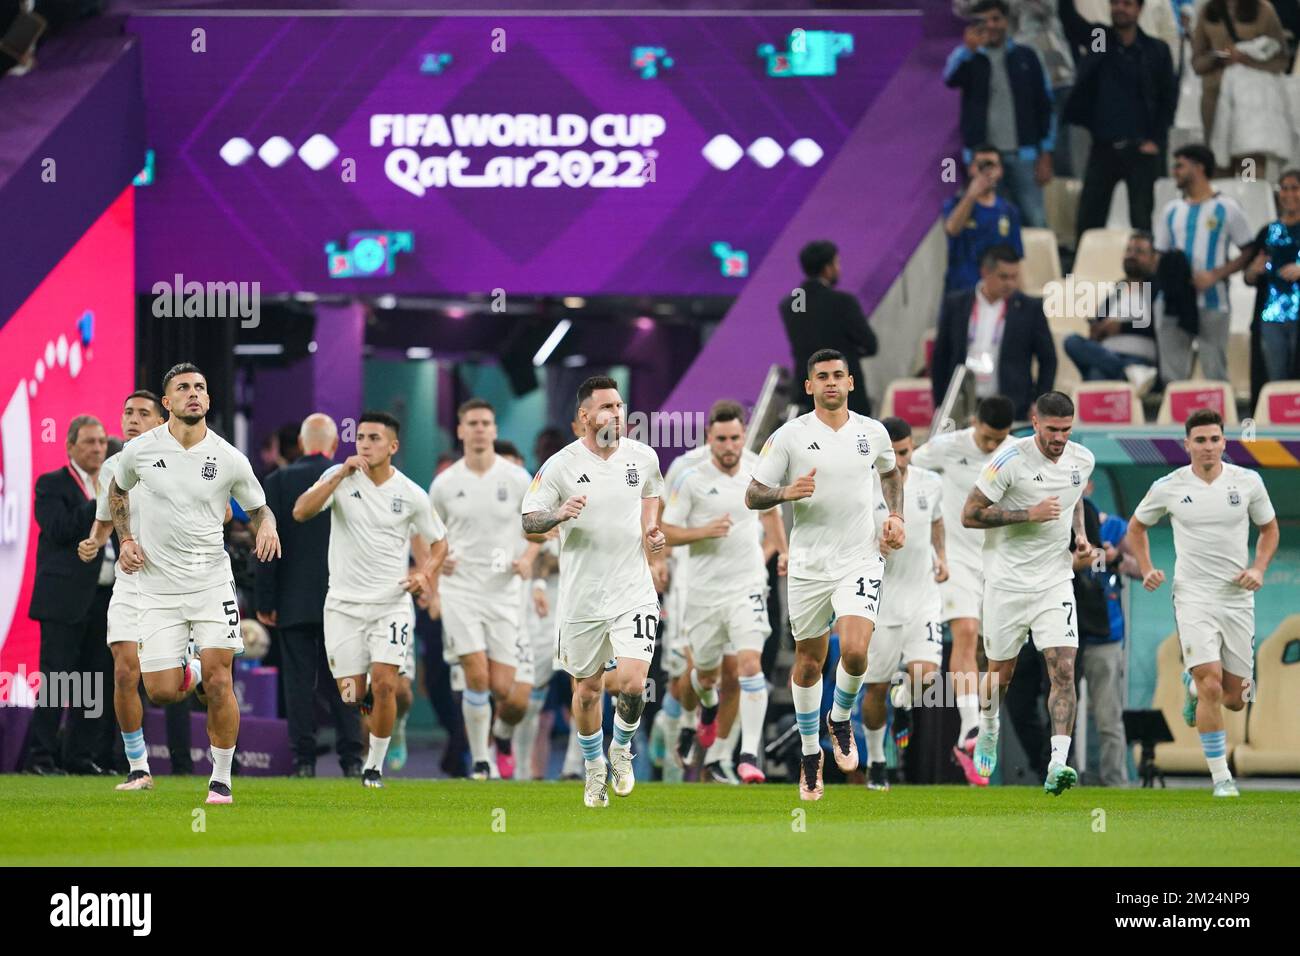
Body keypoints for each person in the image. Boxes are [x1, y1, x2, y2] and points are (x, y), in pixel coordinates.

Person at [108, 363, 281, 805]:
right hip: (157, 588)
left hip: (210, 583)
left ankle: (220, 779)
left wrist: (267, 527)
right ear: (166, 402)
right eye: (183, 388)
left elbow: (259, 508)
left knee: (222, 681)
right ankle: (195, 667)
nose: (194, 394)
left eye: (200, 387)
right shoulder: (141, 450)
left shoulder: (228, 457)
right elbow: (118, 490)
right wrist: (126, 538)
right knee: (161, 691)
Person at [746, 349, 904, 801]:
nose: (831, 382)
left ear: (851, 383)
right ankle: (811, 754)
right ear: (809, 386)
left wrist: (896, 516)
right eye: (822, 377)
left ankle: (839, 717)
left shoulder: (872, 432)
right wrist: (785, 491)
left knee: (855, 653)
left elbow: (892, 474)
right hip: (809, 565)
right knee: (809, 663)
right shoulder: (789, 437)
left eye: (839, 375)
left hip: (860, 558)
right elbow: (753, 494)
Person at [521, 376, 666, 808]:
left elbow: (651, 497)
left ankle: (620, 751)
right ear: (585, 416)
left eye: (620, 406)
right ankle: (593, 768)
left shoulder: (643, 457)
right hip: (582, 597)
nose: (617, 414)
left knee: (635, 684)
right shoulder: (560, 465)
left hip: (632, 590)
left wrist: (652, 535)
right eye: (607, 407)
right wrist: (556, 515)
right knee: (587, 691)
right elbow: (528, 520)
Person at [1127, 408, 1278, 797]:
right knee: (1209, 681)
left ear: (1224, 442)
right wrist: (1145, 568)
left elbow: (1269, 529)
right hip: (1192, 596)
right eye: (1200, 440)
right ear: (1187, 444)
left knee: (1235, 699)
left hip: (1237, 599)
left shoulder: (1248, 482)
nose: (1208, 446)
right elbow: (1137, 527)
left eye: (1215, 439)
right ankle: (1221, 778)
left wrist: (1259, 568)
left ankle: (1193, 690)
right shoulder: (1170, 486)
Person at [292, 411, 447, 789]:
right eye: (360, 437)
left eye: (374, 438)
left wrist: (423, 574)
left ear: (392, 446)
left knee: (385, 684)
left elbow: (439, 542)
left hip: (390, 604)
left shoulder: (411, 494)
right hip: (343, 606)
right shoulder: (339, 479)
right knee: (352, 695)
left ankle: (373, 767)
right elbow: (300, 512)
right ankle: (384, 722)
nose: (365, 444)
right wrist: (339, 475)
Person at [961, 390, 1096, 795]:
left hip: (1054, 582)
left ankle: (1057, 764)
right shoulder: (1008, 461)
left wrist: (1081, 538)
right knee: (1000, 675)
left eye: (1067, 430)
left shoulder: (1081, 459)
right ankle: (987, 729)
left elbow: (1072, 501)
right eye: (1052, 429)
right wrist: (1028, 514)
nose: (1059, 437)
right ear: (1035, 422)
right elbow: (969, 515)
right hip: (1006, 583)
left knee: (1063, 669)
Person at [661, 401, 788, 784]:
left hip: (747, 586)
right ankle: (692, 720)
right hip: (700, 589)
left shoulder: (757, 469)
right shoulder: (688, 475)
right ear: (708, 439)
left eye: (735, 437)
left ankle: (738, 755)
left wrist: (780, 553)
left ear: (744, 435)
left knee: (747, 666)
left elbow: (771, 517)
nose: (729, 445)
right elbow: (666, 532)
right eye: (721, 439)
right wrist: (705, 532)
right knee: (703, 675)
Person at [429, 399, 537, 780]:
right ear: (460, 430)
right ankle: (480, 760)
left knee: (504, 690)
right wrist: (438, 564)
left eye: (485, 423)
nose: (479, 429)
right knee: (475, 675)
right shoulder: (444, 484)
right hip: (461, 591)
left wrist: (528, 557)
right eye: (471, 422)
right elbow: (428, 534)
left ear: (494, 430)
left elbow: (538, 527)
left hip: (505, 592)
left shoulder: (517, 479)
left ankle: (502, 736)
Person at [912, 394, 1014, 785]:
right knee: (966, 634)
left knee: (1000, 658)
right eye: (987, 438)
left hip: (1000, 563)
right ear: (974, 423)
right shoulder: (947, 447)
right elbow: (903, 470)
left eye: (999, 439)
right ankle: (970, 727)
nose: (992, 447)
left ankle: (979, 730)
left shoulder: (1017, 452)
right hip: (956, 560)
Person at [254, 413, 363, 778]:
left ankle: (303, 760)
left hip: (293, 600)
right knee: (345, 678)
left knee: (299, 683)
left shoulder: (277, 481)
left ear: (301, 444)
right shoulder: (348, 480)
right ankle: (352, 759)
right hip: (343, 601)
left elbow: (267, 544)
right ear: (334, 446)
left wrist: (265, 601)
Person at [75, 391, 171, 789]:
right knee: (124, 671)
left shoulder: (184, 457)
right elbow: (105, 518)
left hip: (175, 585)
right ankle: (139, 768)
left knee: (164, 689)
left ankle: (192, 671)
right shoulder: (114, 465)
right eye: (127, 412)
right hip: (130, 583)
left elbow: (217, 512)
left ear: (161, 418)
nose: (132, 419)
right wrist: (94, 542)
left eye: (142, 413)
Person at [24, 415, 114, 776]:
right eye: (90, 442)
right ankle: (40, 756)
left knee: (94, 678)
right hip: (64, 597)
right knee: (58, 678)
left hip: (105, 596)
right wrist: (101, 501)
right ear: (70, 446)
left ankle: (80, 756)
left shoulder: (113, 484)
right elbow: (58, 528)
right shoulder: (51, 484)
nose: (97, 448)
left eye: (102, 442)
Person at [861, 417, 947, 791]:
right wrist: (873, 545)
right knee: (875, 689)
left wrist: (941, 555)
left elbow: (938, 522)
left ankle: (906, 702)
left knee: (926, 676)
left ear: (913, 448)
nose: (897, 460)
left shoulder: (932, 483)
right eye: (891, 454)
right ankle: (878, 761)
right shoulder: (864, 486)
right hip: (880, 601)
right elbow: (849, 535)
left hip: (923, 595)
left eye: (904, 452)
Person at [1060, 0, 1178, 237]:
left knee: (1142, 221)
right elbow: (1071, 23)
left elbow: (1168, 100)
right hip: (1104, 146)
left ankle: (1144, 271)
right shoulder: (1102, 40)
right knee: (1089, 219)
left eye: (1127, 4)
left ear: (1139, 9)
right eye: (1115, 3)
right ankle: (1083, 271)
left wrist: (1155, 139)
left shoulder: (1156, 50)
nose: (1119, 9)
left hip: (1141, 149)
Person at [943, 0, 1055, 227]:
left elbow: (1045, 106)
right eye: (983, 22)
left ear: (1006, 21)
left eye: (996, 19)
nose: (991, 26)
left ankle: (1039, 263)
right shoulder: (968, 58)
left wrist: (1046, 153)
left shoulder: (1028, 57)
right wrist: (967, 51)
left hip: (1024, 155)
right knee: (991, 222)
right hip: (983, 160)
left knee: (1035, 219)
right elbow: (949, 79)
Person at [1154, 143, 1255, 382]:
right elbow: (1160, 255)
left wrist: (1216, 275)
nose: (1174, 171)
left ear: (1199, 167)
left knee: (1214, 371)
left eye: (1180, 166)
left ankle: (1219, 418)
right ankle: (1174, 419)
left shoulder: (1227, 208)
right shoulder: (1170, 210)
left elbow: (1248, 249)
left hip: (1214, 300)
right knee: (1172, 374)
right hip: (1174, 302)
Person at [932, 243, 1056, 418]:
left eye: (1014, 277)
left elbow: (1048, 359)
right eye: (1003, 277)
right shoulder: (956, 304)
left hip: (1011, 404)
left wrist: (1039, 401)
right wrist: (941, 403)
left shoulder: (1030, 309)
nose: (1010, 283)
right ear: (985, 272)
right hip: (963, 404)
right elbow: (940, 357)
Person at [1063, 230, 1196, 391]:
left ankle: (1122, 374)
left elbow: (1161, 327)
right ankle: (1125, 374)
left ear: (1154, 258)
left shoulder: (1158, 289)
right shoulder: (1116, 290)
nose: (1131, 255)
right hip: (1106, 353)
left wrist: (1122, 327)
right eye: (1129, 250)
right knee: (1071, 341)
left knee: (1096, 374)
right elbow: (1099, 322)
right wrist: (1097, 331)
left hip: (1139, 360)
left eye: (1139, 252)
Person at [779, 240, 879, 415]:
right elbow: (870, 344)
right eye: (837, 263)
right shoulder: (842, 302)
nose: (839, 269)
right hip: (844, 394)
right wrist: (848, 353)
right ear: (828, 268)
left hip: (809, 391)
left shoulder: (791, 305)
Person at [1192, 0, 1288, 174]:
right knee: (1219, 171)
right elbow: (1197, 63)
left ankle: (1249, 199)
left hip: (1251, 111)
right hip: (1214, 104)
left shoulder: (1263, 10)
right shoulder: (1207, 10)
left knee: (1249, 174)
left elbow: (1280, 60)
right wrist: (1220, 57)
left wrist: (1246, 58)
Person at [942, 146, 1025, 293]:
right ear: (971, 169)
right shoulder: (955, 204)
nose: (987, 171)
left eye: (992, 165)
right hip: (962, 290)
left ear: (1000, 171)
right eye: (981, 165)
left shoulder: (1009, 211)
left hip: (996, 292)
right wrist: (971, 195)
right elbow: (952, 229)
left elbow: (1016, 258)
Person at [1244, 168, 1300, 384]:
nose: (1289, 194)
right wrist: (1254, 270)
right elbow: (1249, 277)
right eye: (1284, 189)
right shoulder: (1267, 232)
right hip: (1270, 315)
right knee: (1274, 379)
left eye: (1295, 188)